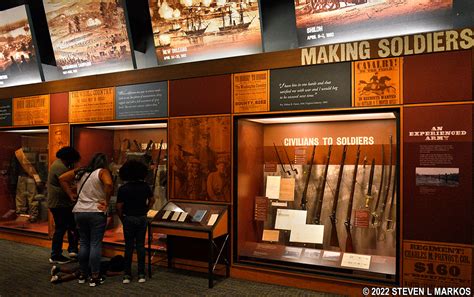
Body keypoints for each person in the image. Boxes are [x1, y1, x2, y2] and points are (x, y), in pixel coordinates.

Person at [59, 153, 113, 287]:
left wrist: (70, 194)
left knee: (83, 243)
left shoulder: (82, 172)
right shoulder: (102, 171)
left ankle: (83, 274)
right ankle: (94, 276)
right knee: (95, 243)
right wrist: (106, 201)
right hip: (95, 211)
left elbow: (62, 178)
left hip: (79, 211)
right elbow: (109, 183)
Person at [116, 159, 155, 284]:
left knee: (128, 247)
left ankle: (127, 274)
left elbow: (119, 207)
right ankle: (141, 274)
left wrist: (122, 218)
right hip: (141, 217)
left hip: (128, 217)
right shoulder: (145, 186)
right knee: (140, 246)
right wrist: (146, 209)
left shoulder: (123, 188)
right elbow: (152, 200)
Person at [47, 147, 81, 264]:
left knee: (70, 226)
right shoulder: (60, 167)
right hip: (59, 203)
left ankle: (72, 249)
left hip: (59, 203)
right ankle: (56, 254)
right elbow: (67, 184)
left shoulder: (57, 164)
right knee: (61, 228)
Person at [50, 255, 125, 284]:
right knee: (75, 274)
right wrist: (119, 273)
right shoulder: (109, 267)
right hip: (89, 270)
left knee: (72, 270)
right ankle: (59, 279)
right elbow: (108, 273)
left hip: (88, 264)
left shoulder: (107, 262)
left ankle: (58, 268)